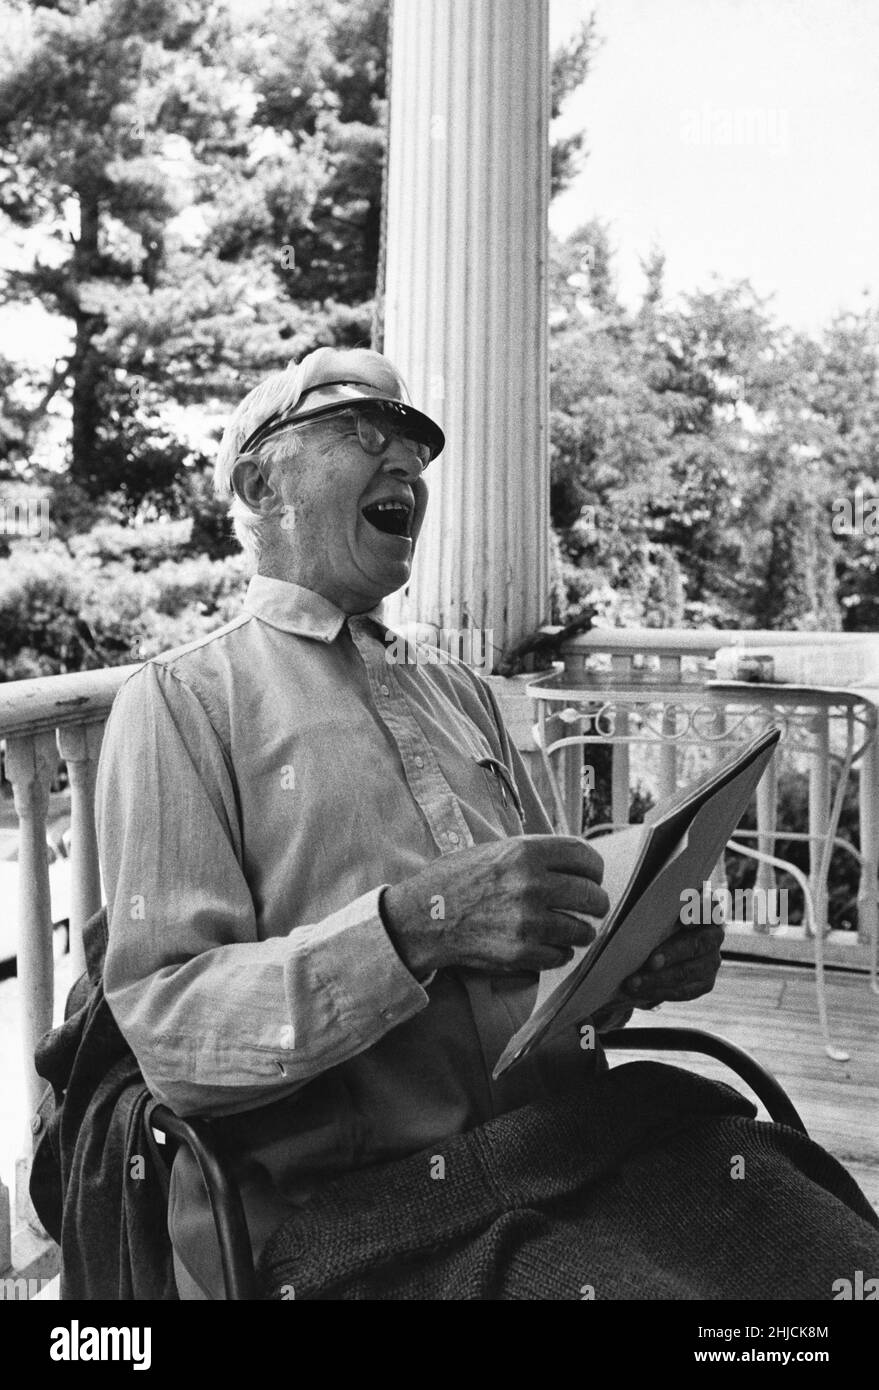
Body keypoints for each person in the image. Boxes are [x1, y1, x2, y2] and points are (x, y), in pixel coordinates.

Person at [93, 347, 731, 1299]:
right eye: (363, 435)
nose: (406, 466)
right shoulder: (183, 700)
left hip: (561, 1153)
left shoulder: (462, 695)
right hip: (358, 1217)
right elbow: (174, 1035)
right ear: (263, 482)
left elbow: (543, 966)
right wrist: (416, 925)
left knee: (802, 1232)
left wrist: (627, 964)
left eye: (414, 449)